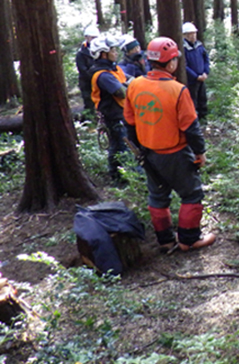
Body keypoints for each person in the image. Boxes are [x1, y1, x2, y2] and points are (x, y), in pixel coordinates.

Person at [124, 37, 215, 252]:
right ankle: (189, 239)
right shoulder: (178, 90)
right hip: (176, 153)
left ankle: (165, 240)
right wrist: (200, 153)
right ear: (172, 63)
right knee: (192, 194)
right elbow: (191, 128)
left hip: (149, 153)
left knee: (157, 196)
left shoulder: (135, 85)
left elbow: (129, 122)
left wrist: (141, 149)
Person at [88, 34, 129, 183]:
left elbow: (129, 80)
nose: (116, 53)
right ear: (103, 54)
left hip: (120, 113)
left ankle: (120, 176)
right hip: (114, 116)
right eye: (113, 50)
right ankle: (119, 178)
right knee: (120, 147)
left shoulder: (113, 69)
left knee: (120, 146)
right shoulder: (103, 75)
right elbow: (122, 92)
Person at [183, 22, 210, 120]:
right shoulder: (184, 48)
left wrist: (206, 72)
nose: (193, 36)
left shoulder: (199, 46)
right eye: (190, 34)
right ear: (185, 35)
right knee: (192, 100)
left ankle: (204, 117)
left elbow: (206, 59)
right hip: (192, 80)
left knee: (202, 98)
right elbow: (184, 66)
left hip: (202, 77)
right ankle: (194, 120)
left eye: (194, 33)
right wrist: (195, 76)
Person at [76, 23, 100, 113]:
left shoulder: (100, 50)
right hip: (87, 83)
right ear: (86, 37)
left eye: (96, 38)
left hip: (98, 82)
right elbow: (83, 70)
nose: (94, 40)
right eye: (92, 38)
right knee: (89, 103)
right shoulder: (81, 53)